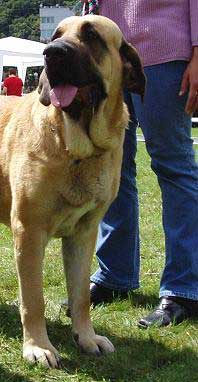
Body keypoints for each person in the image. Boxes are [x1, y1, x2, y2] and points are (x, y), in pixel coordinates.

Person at [81, 1, 198, 327]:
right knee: (114, 166)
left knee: (174, 167)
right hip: (108, 57)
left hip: (165, 52)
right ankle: (114, 274)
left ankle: (184, 289)